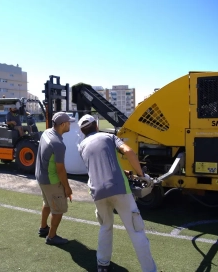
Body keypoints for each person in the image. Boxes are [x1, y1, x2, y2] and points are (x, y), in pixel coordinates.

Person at [77, 114, 157, 272]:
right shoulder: (108, 136)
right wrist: (141, 175)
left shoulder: (81, 146)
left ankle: (102, 264)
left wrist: (123, 171)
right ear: (96, 125)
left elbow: (99, 165)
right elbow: (129, 151)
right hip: (119, 189)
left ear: (82, 131)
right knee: (136, 230)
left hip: (97, 192)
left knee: (105, 226)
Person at [35, 111, 75, 245]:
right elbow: (60, 169)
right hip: (52, 181)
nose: (70, 124)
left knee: (47, 203)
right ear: (63, 124)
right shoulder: (58, 144)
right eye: (69, 122)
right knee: (58, 210)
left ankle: (43, 228)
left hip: (41, 177)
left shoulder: (47, 132)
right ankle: (51, 237)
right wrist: (67, 188)